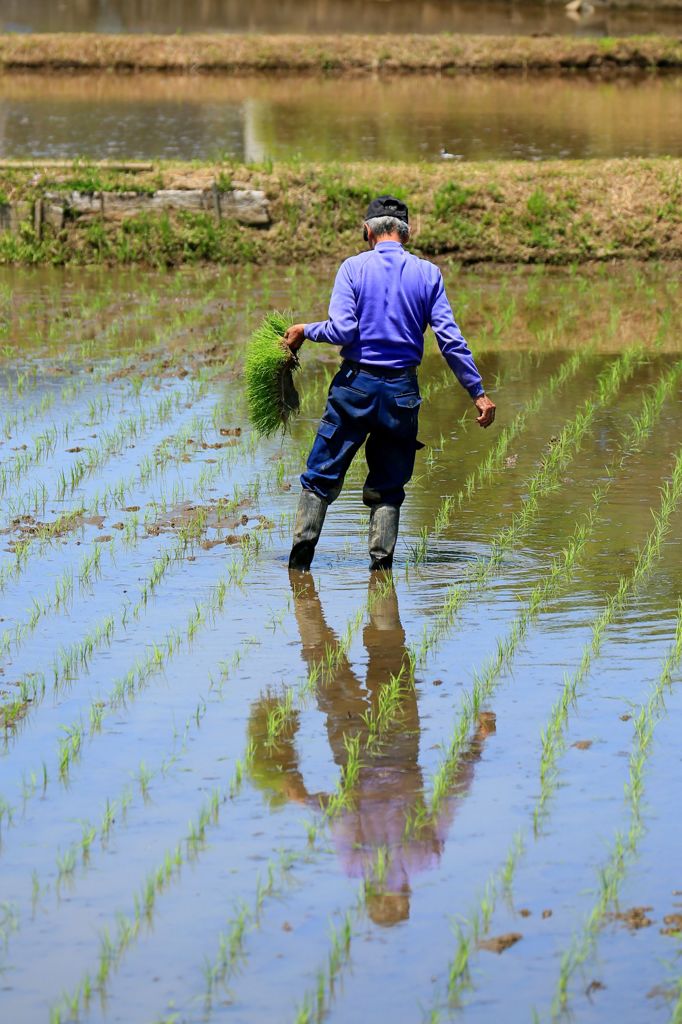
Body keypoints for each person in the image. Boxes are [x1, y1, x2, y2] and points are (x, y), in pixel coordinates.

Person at [247, 573, 496, 926]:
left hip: (399, 748)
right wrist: (306, 799)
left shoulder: (421, 860)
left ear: (404, 890)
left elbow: (451, 795)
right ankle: (309, 595)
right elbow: (345, 815)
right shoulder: (358, 865)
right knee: (326, 668)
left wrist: (477, 742)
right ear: (371, 891)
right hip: (356, 756)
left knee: (389, 659)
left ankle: (360, 586)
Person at [284, 194, 496, 572]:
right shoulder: (428, 274)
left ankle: (299, 570)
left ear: (367, 231)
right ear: (406, 235)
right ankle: (381, 578)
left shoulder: (352, 268)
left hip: (354, 388)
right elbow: (450, 340)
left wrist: (305, 330)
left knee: (320, 477)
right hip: (401, 393)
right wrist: (477, 391)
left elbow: (344, 329)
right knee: (388, 487)